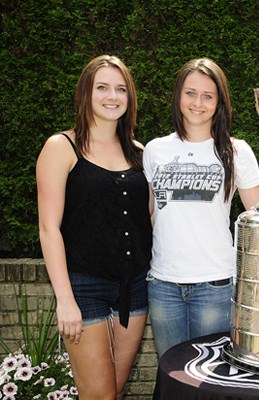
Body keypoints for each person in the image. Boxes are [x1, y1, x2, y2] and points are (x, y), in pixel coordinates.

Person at [36, 55, 152, 399]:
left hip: (134, 289)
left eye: (120, 89)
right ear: (86, 93)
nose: (111, 96)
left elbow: (147, 219)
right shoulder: (61, 147)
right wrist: (65, 300)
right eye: (102, 87)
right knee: (98, 395)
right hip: (84, 288)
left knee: (111, 392)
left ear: (129, 98)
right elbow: (48, 228)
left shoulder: (140, 153)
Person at [143, 58, 259, 357]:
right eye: (190, 93)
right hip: (163, 284)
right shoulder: (155, 149)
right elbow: (150, 214)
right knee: (171, 373)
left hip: (215, 284)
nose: (198, 102)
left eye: (208, 96)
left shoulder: (237, 151)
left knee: (211, 378)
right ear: (178, 97)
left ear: (219, 102)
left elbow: (258, 221)